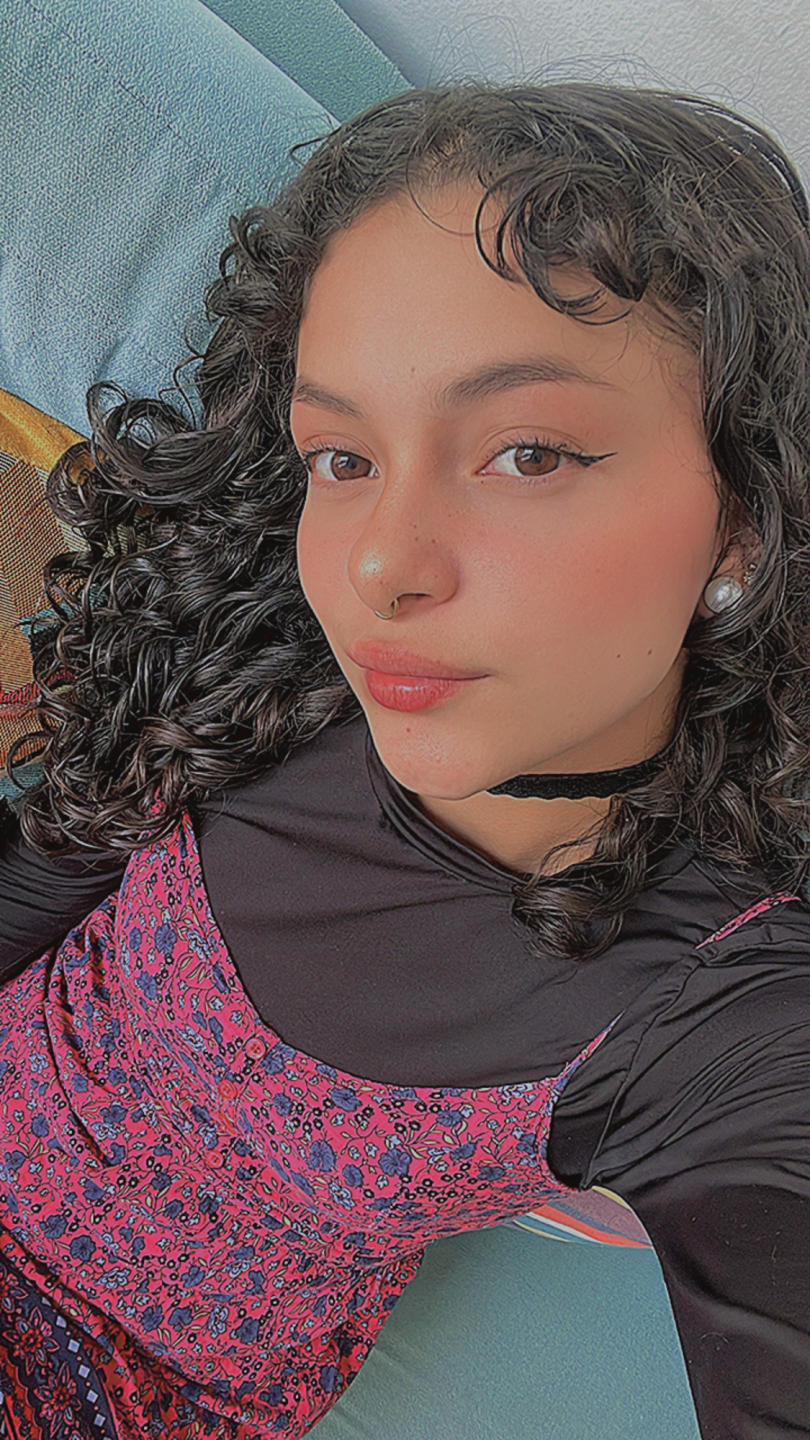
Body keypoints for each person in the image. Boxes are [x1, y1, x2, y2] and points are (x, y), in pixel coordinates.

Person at [1, 78, 810, 1440]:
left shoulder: (719, 1015)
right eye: (342, 457)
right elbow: (41, 875)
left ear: (745, 513)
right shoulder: (252, 641)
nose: (380, 564)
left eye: (526, 453)